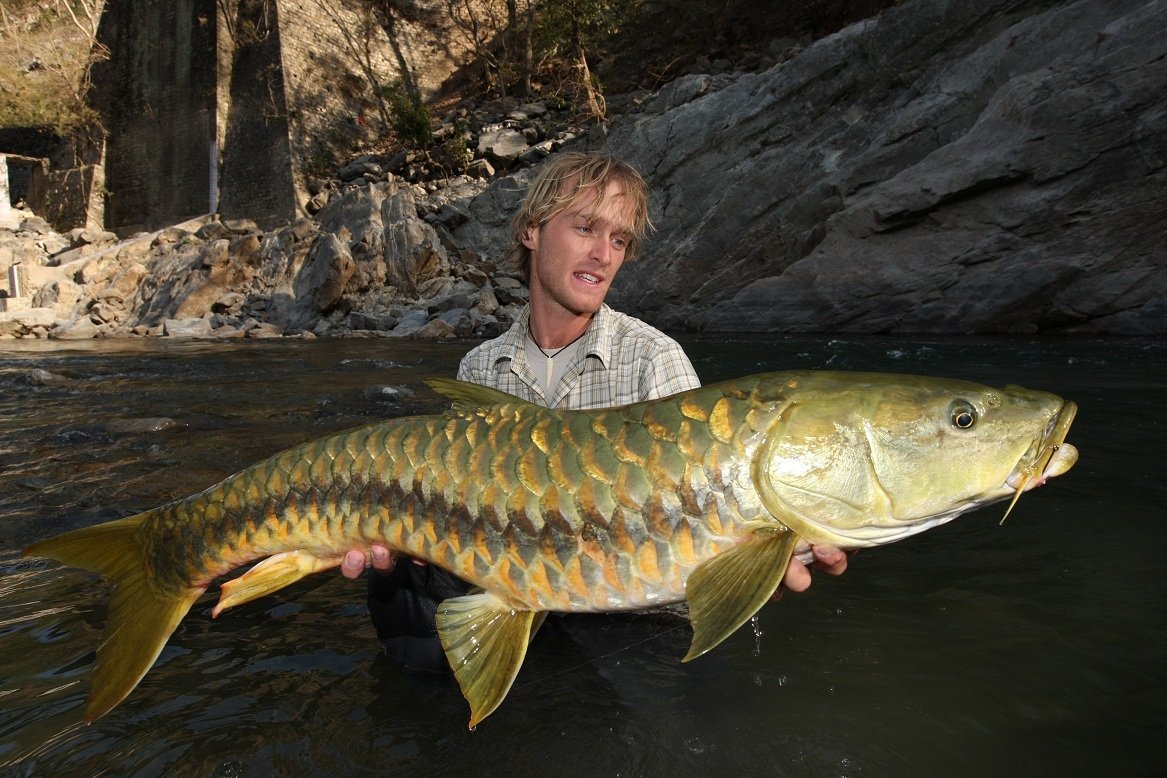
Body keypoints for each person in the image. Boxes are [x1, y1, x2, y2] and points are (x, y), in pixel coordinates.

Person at [340, 152, 848, 669]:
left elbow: (707, 517)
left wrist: (759, 567)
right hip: (523, 597)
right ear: (532, 231)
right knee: (397, 585)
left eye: (620, 240)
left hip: (636, 621)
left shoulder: (654, 360)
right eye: (586, 228)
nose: (604, 254)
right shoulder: (480, 366)